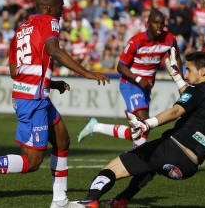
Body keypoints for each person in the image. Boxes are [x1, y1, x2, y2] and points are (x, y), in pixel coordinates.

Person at [0, 0, 110, 208]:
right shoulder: (50, 21)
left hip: (32, 94)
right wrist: (86, 72)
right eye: (60, 6)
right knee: (31, 162)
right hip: (33, 99)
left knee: (62, 141)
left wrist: (49, 83)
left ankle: (60, 201)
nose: (62, 11)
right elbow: (53, 51)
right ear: (48, 8)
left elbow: (14, 70)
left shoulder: (21, 29)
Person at [74, 51, 205, 207]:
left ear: (202, 71)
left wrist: (147, 124)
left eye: (188, 70)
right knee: (150, 165)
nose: (186, 75)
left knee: (112, 168)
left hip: (173, 150)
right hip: (189, 165)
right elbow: (191, 100)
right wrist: (176, 76)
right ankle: (121, 200)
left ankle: (90, 201)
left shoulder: (198, 90)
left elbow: (176, 111)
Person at [77, 8, 182, 147]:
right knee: (144, 121)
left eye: (162, 23)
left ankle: (96, 127)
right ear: (148, 23)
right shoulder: (136, 41)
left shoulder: (169, 39)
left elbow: (177, 57)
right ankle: (134, 159)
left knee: (142, 130)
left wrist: (178, 74)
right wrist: (139, 80)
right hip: (131, 84)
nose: (159, 26)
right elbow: (120, 67)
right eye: (156, 23)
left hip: (146, 87)